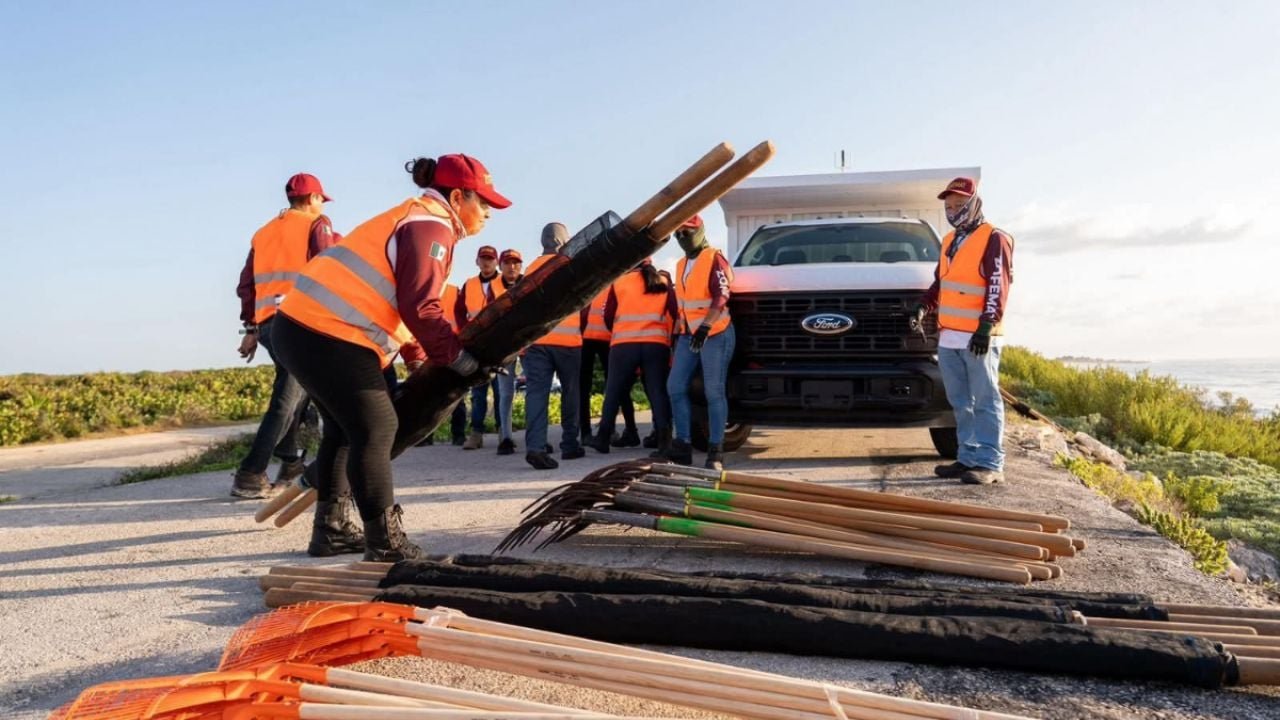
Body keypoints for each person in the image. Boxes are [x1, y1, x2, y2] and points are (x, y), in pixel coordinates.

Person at [272, 153, 511, 560]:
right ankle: (385, 544)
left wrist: (420, 360)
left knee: (345, 431)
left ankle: (330, 529)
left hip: (307, 328)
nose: (488, 213)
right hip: (327, 332)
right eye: (483, 203)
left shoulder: (419, 218)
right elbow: (420, 306)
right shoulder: (432, 225)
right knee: (377, 428)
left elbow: (401, 306)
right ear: (457, 196)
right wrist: (459, 360)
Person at [230, 173, 339, 499]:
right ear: (311, 199)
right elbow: (328, 270)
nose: (322, 205)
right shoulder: (317, 224)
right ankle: (250, 475)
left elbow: (246, 285)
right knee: (286, 400)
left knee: (299, 390)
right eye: (321, 199)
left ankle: (291, 460)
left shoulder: (262, 233)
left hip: (267, 325)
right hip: (300, 322)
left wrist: (251, 328)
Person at [913, 177, 1015, 485]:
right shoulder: (949, 241)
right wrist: (923, 307)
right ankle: (968, 458)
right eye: (948, 205)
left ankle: (990, 463)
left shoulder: (994, 238)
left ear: (973, 203)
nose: (953, 210)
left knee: (985, 399)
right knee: (960, 400)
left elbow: (998, 285)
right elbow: (941, 283)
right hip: (949, 337)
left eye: (959, 204)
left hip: (979, 338)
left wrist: (986, 327)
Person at [664, 215, 735, 471]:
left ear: (701, 230)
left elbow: (722, 294)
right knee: (675, 386)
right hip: (688, 334)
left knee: (713, 391)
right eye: (679, 233)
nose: (683, 237)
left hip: (715, 332)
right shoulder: (681, 264)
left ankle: (716, 452)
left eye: (688, 231)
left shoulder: (714, 258)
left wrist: (706, 326)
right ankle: (682, 445)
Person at [588, 259, 675, 456]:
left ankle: (603, 438)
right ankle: (665, 441)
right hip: (656, 344)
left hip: (624, 345)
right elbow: (674, 312)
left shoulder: (620, 281)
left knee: (614, 391)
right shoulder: (662, 280)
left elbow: (608, 315)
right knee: (657, 392)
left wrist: (620, 331)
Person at [521, 223, 586, 470]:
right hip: (568, 343)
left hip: (537, 342)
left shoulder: (531, 269)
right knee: (570, 393)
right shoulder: (571, 266)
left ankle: (536, 447)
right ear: (563, 241)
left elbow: (523, 307)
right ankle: (570, 444)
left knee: (536, 394)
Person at [456, 245, 505, 449]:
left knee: (502, 392)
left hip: (501, 344)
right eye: (483, 259)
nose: (486, 262)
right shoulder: (469, 284)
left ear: (496, 262)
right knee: (478, 392)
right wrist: (465, 332)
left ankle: (505, 432)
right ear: (477, 261)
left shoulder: (506, 282)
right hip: (477, 345)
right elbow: (459, 311)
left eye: (490, 259)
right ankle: (476, 434)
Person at [579, 288, 640, 447]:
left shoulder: (613, 280)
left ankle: (613, 431)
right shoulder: (609, 278)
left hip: (604, 338)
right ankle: (594, 432)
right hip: (597, 338)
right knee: (614, 387)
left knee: (615, 387)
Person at [494, 249, 524, 455]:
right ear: (500, 265)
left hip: (529, 344)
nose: (511, 266)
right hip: (504, 345)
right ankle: (506, 438)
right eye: (507, 263)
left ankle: (537, 437)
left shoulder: (531, 282)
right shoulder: (493, 287)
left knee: (537, 392)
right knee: (506, 394)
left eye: (515, 262)